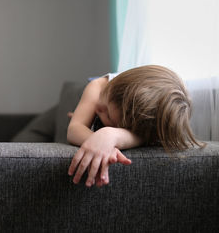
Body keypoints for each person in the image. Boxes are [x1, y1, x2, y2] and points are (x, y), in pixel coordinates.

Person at [66, 65, 205, 188]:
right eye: (106, 95)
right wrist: (100, 140)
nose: (98, 108)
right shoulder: (99, 86)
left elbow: (146, 138)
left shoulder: (143, 125)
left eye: (107, 115)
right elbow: (74, 129)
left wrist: (111, 136)